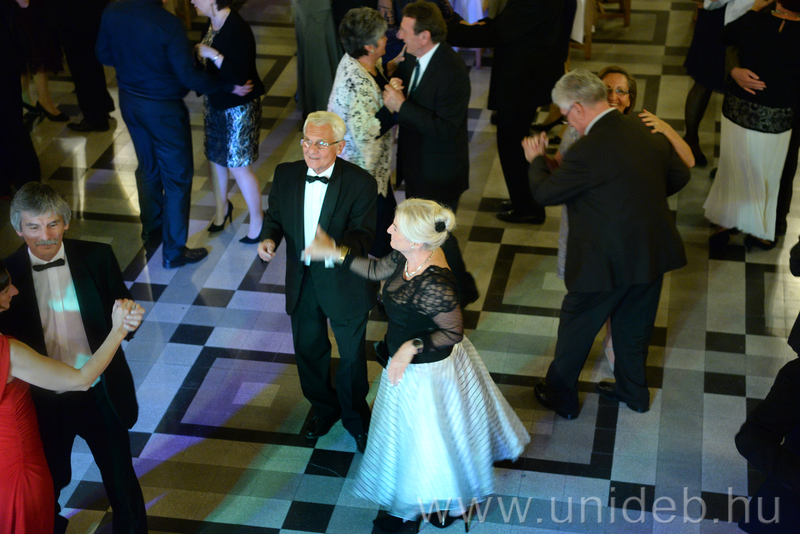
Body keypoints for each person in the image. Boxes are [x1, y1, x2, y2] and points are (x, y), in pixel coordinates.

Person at [302, 198, 530, 533]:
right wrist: (334, 251)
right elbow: (376, 270)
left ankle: (413, 509)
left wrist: (411, 347)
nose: (388, 229)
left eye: (396, 227)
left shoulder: (435, 284)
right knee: (425, 440)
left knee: (424, 441)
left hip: (428, 372)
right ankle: (443, 504)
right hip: (405, 362)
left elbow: (452, 332)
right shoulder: (406, 254)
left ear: (418, 241)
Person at [525, 70, 690, 419]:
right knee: (634, 329)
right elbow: (680, 174)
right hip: (650, 252)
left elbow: (545, 193)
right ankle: (634, 393)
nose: (568, 122)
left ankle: (561, 397)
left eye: (566, 115)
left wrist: (536, 159)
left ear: (579, 108)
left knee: (576, 329)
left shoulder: (586, 150)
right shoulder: (643, 128)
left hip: (603, 262)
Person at [0, 182, 148, 534]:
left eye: (53, 224)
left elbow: (122, 312)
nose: (45, 236)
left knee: (121, 479)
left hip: (100, 391)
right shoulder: (8, 275)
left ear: (66, 223)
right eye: (34, 226)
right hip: (44, 400)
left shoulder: (97, 257)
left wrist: (130, 320)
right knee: (47, 483)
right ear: (19, 229)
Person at [96, 0, 252, 268]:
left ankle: (152, 232)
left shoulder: (113, 9)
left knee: (147, 168)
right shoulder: (169, 25)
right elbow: (188, 78)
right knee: (177, 177)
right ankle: (174, 251)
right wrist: (227, 86)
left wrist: (134, 69)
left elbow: (103, 54)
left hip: (130, 101)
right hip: (163, 109)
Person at [256, 111, 377, 453]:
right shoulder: (286, 174)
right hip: (303, 279)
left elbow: (364, 236)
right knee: (308, 351)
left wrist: (334, 248)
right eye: (307, 141)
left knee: (351, 358)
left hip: (344, 282)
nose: (311, 150)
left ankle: (355, 418)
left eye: (321, 144)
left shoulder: (361, 183)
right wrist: (269, 237)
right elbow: (275, 215)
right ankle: (324, 408)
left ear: (340, 147)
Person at [382, 0, 478, 306]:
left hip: (439, 171)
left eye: (405, 30)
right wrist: (395, 76)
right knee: (426, 235)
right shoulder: (414, 55)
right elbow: (411, 89)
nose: (399, 34)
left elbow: (446, 128)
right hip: (417, 164)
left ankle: (463, 290)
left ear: (424, 36)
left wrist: (402, 107)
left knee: (437, 238)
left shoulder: (452, 71)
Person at [446, 0, 574, 224]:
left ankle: (528, 207)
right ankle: (523, 200)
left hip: (523, 79)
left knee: (512, 145)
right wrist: (474, 25)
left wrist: (446, 31)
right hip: (532, 71)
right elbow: (508, 23)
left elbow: (498, 32)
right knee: (515, 141)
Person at [703, 0, 800, 252]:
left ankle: (729, 222)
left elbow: (726, 35)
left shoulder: (754, 20)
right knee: (768, 173)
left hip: (741, 109)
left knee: (736, 165)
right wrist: (734, 68)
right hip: (779, 113)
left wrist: (754, 10)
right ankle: (760, 229)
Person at [328, 7, 402, 257]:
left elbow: (376, 80)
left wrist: (390, 68)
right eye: (382, 36)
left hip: (373, 169)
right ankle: (382, 275)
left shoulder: (361, 60)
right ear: (369, 47)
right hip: (364, 174)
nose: (387, 38)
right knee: (383, 235)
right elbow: (366, 131)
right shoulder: (357, 82)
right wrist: (393, 106)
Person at [192, 0, 266, 243]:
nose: (191, 0)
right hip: (215, 102)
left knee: (238, 166)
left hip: (239, 109)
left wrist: (213, 54)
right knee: (215, 158)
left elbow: (241, 79)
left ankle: (258, 219)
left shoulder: (238, 28)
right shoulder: (211, 23)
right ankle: (222, 209)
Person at [41, 0, 115, 132]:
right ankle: (102, 107)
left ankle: (95, 118)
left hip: (73, 17)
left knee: (81, 67)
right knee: (91, 63)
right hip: (90, 12)